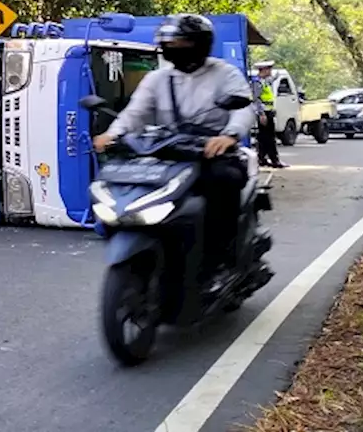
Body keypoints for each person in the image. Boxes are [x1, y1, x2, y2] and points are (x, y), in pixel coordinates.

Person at [92, 14, 256, 289]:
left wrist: (229, 135)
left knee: (222, 182)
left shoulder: (224, 73)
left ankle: (221, 261)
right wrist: (113, 134)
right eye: (171, 44)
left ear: (201, 44)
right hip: (168, 150)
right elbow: (135, 112)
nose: (176, 49)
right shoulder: (157, 79)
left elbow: (244, 108)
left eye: (182, 43)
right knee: (124, 179)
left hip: (213, 151)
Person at [251, 61, 287, 169]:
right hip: (264, 114)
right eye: (269, 69)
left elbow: (273, 79)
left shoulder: (265, 81)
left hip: (268, 112)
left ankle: (262, 159)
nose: (271, 71)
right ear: (264, 70)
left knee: (264, 138)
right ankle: (274, 160)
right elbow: (256, 99)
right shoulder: (257, 83)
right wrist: (262, 114)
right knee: (269, 138)